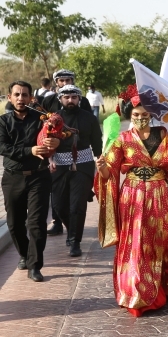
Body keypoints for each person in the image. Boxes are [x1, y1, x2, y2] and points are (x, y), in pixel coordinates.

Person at [95, 99, 168, 316]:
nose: (140, 118)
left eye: (144, 114)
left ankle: (160, 286)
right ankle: (135, 290)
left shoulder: (164, 135)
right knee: (135, 242)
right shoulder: (122, 139)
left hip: (159, 193)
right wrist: (101, 169)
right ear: (129, 115)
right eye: (136, 114)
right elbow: (111, 173)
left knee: (158, 240)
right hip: (132, 196)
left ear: (151, 115)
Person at [0, 81, 59, 282]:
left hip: (39, 176)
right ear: (10, 97)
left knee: (36, 223)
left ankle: (35, 265)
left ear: (31, 97)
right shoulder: (3, 122)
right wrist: (29, 151)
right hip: (12, 178)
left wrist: (57, 141)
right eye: (16, 94)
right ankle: (25, 254)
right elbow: (3, 147)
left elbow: (61, 133)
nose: (20, 98)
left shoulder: (43, 119)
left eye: (25, 95)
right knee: (14, 224)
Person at [51, 85, 103, 257]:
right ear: (60, 99)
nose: (70, 100)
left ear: (79, 99)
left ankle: (75, 241)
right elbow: (46, 140)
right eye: (66, 97)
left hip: (83, 164)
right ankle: (70, 228)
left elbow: (97, 142)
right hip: (59, 165)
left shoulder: (89, 118)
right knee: (59, 206)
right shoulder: (53, 119)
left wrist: (100, 160)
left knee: (77, 206)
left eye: (74, 97)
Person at [43, 69, 92, 236]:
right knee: (58, 198)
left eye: (68, 80)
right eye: (61, 80)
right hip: (57, 153)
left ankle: (74, 233)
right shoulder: (49, 100)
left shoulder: (82, 101)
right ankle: (58, 222)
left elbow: (87, 123)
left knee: (77, 198)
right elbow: (44, 128)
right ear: (56, 82)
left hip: (78, 153)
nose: (65, 83)